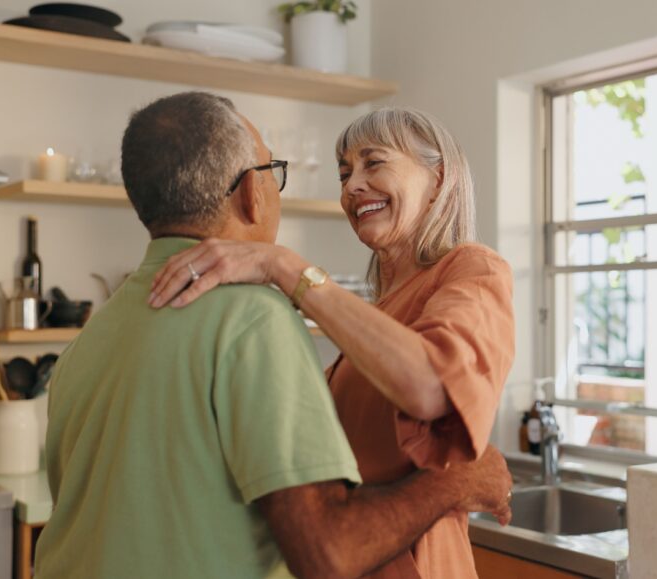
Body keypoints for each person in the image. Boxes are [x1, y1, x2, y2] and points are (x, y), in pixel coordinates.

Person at [33, 92, 512, 579]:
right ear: (251, 194)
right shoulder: (259, 320)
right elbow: (322, 544)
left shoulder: (88, 341)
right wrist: (459, 483)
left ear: (439, 179)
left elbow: (432, 386)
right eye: (344, 172)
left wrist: (283, 266)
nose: (352, 186)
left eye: (374, 162)